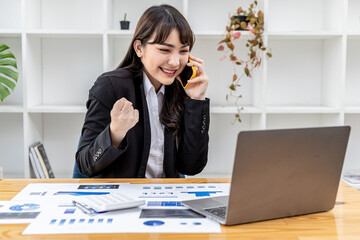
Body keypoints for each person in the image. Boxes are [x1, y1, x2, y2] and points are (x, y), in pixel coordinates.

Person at [75, 4, 210, 178]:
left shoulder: (182, 90)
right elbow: (86, 165)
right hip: (123, 200)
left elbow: (191, 167)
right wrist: (115, 132)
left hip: (166, 199)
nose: (176, 62)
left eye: (183, 51)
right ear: (139, 48)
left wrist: (197, 101)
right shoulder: (110, 87)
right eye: (164, 50)